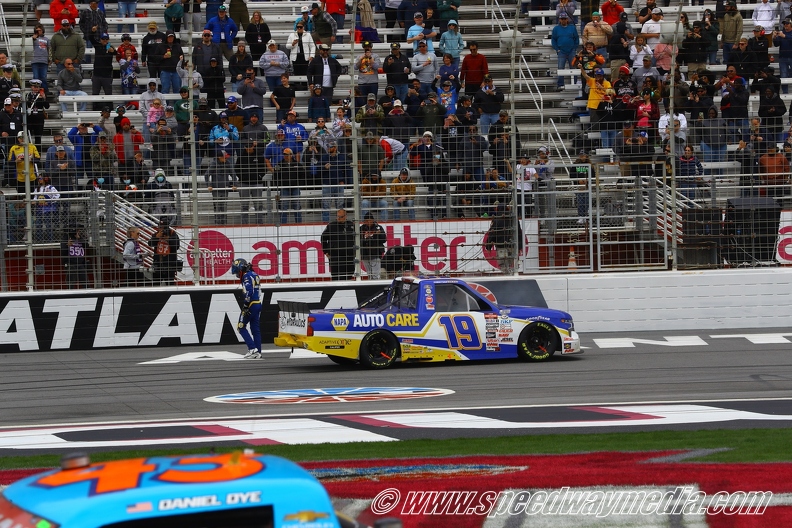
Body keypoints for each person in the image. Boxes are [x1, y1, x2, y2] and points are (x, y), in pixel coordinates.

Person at [230, 258, 262, 359]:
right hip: (257, 303)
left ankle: (252, 349)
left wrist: (246, 306)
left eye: (237, 271)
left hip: (251, 304)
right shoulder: (254, 274)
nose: (237, 274)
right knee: (255, 329)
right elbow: (259, 291)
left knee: (240, 326)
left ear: (240, 269)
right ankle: (258, 351)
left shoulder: (246, 276)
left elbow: (249, 292)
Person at [484, 202, 523, 274]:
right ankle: (511, 276)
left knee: (503, 265)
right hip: (512, 246)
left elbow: (492, 234)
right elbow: (519, 233)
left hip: (501, 246)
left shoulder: (496, 220)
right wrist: (520, 246)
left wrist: (488, 247)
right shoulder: (514, 219)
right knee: (511, 264)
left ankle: (507, 276)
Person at [204, 148, 237, 224]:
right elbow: (206, 175)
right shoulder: (214, 164)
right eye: (224, 157)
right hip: (216, 189)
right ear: (219, 157)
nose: (226, 159)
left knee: (224, 207)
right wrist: (209, 185)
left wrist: (234, 184)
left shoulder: (227, 163)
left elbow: (233, 174)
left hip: (225, 188)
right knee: (217, 207)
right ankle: (217, 223)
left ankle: (224, 223)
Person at [321, 208, 355, 280]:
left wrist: (355, 251)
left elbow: (357, 238)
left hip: (349, 255)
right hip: (335, 255)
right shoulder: (331, 225)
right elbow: (323, 238)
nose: (339, 218)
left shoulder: (351, 225)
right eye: (338, 216)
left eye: (341, 217)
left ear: (345, 216)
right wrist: (325, 251)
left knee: (349, 274)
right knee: (335, 276)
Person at [148, 217, 180, 286]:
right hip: (158, 263)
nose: (161, 229)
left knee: (170, 285)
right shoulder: (156, 234)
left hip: (169, 264)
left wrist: (168, 239)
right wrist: (156, 237)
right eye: (160, 227)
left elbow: (177, 246)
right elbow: (150, 243)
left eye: (163, 227)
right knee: (156, 285)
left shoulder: (172, 234)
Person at [552, 12, 580, 90]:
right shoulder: (556, 29)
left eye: (564, 19)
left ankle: (574, 83)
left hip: (571, 51)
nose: (563, 20)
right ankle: (560, 84)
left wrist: (574, 48)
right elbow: (553, 40)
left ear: (567, 19)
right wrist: (557, 49)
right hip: (561, 51)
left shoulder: (572, 28)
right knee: (561, 67)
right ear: (559, 20)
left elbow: (576, 38)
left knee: (573, 67)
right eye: (562, 19)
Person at [360, 212, 387, 280]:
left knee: (376, 274)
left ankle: (376, 284)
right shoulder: (361, 229)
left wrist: (377, 234)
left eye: (370, 220)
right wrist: (365, 238)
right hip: (365, 254)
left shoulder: (378, 228)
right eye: (366, 221)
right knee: (369, 274)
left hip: (376, 253)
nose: (368, 222)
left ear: (373, 220)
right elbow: (358, 241)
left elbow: (384, 239)